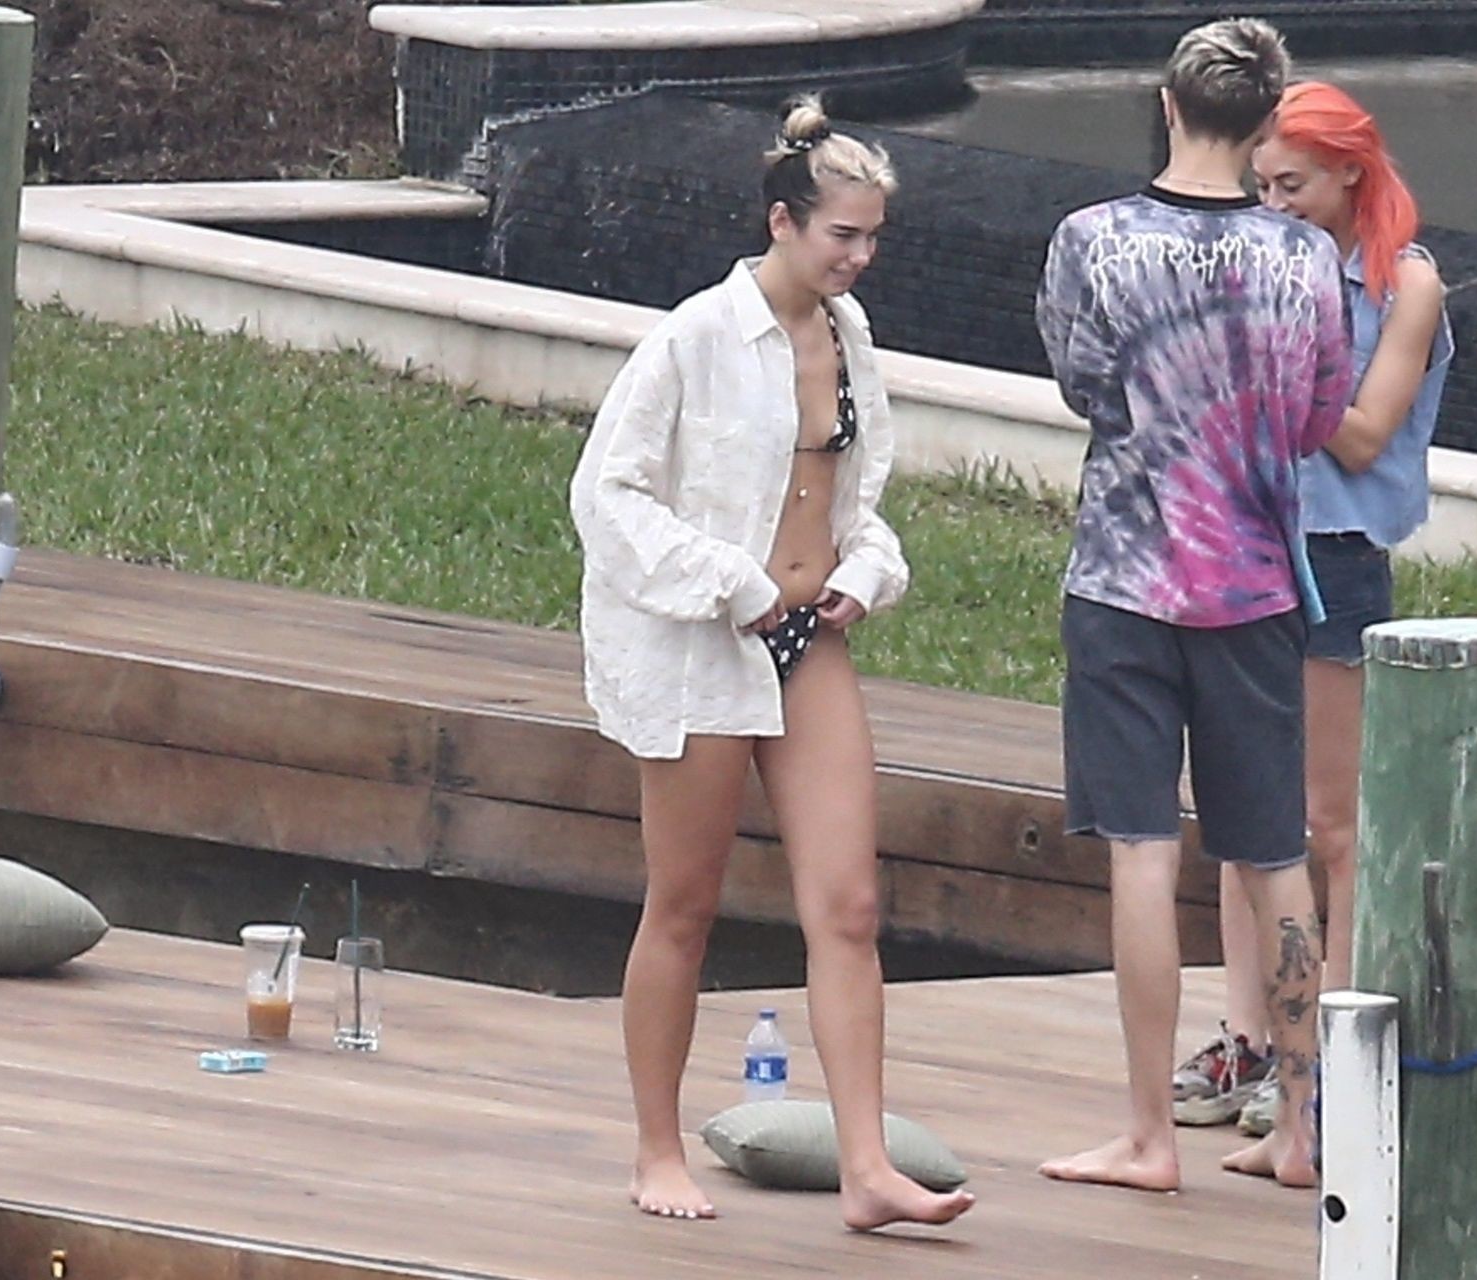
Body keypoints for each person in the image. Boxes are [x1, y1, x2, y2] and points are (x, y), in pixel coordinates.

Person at [568, 96, 976, 1232]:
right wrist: (732, 582)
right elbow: (606, 495)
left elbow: (854, 501)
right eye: (843, 234)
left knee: (849, 904)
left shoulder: (849, 338)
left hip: (809, 641)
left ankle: (867, 1166)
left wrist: (868, 570)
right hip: (704, 640)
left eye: (873, 237)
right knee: (685, 902)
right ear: (783, 221)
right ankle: (656, 1148)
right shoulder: (695, 335)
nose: (860, 256)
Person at [1033, 19, 1353, 1192]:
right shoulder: (1307, 257)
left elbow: (1084, 383)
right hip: (1256, 584)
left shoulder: (1093, 240)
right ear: (1267, 124)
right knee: (1274, 856)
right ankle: (1301, 1124)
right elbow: (1319, 414)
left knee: (1138, 848)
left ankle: (1148, 1132)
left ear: (1169, 106)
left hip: (1126, 578)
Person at [1174, 79, 1453, 1138]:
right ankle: (1249, 1036)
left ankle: (1329, 1045)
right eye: (1261, 186)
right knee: (1243, 805)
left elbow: (1366, 434)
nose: (1273, 205)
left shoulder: (1405, 284)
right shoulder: (1255, 259)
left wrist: (1282, 352)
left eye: (1292, 185)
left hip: (1336, 550)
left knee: (1331, 818)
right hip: (1244, 539)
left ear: (1349, 172)